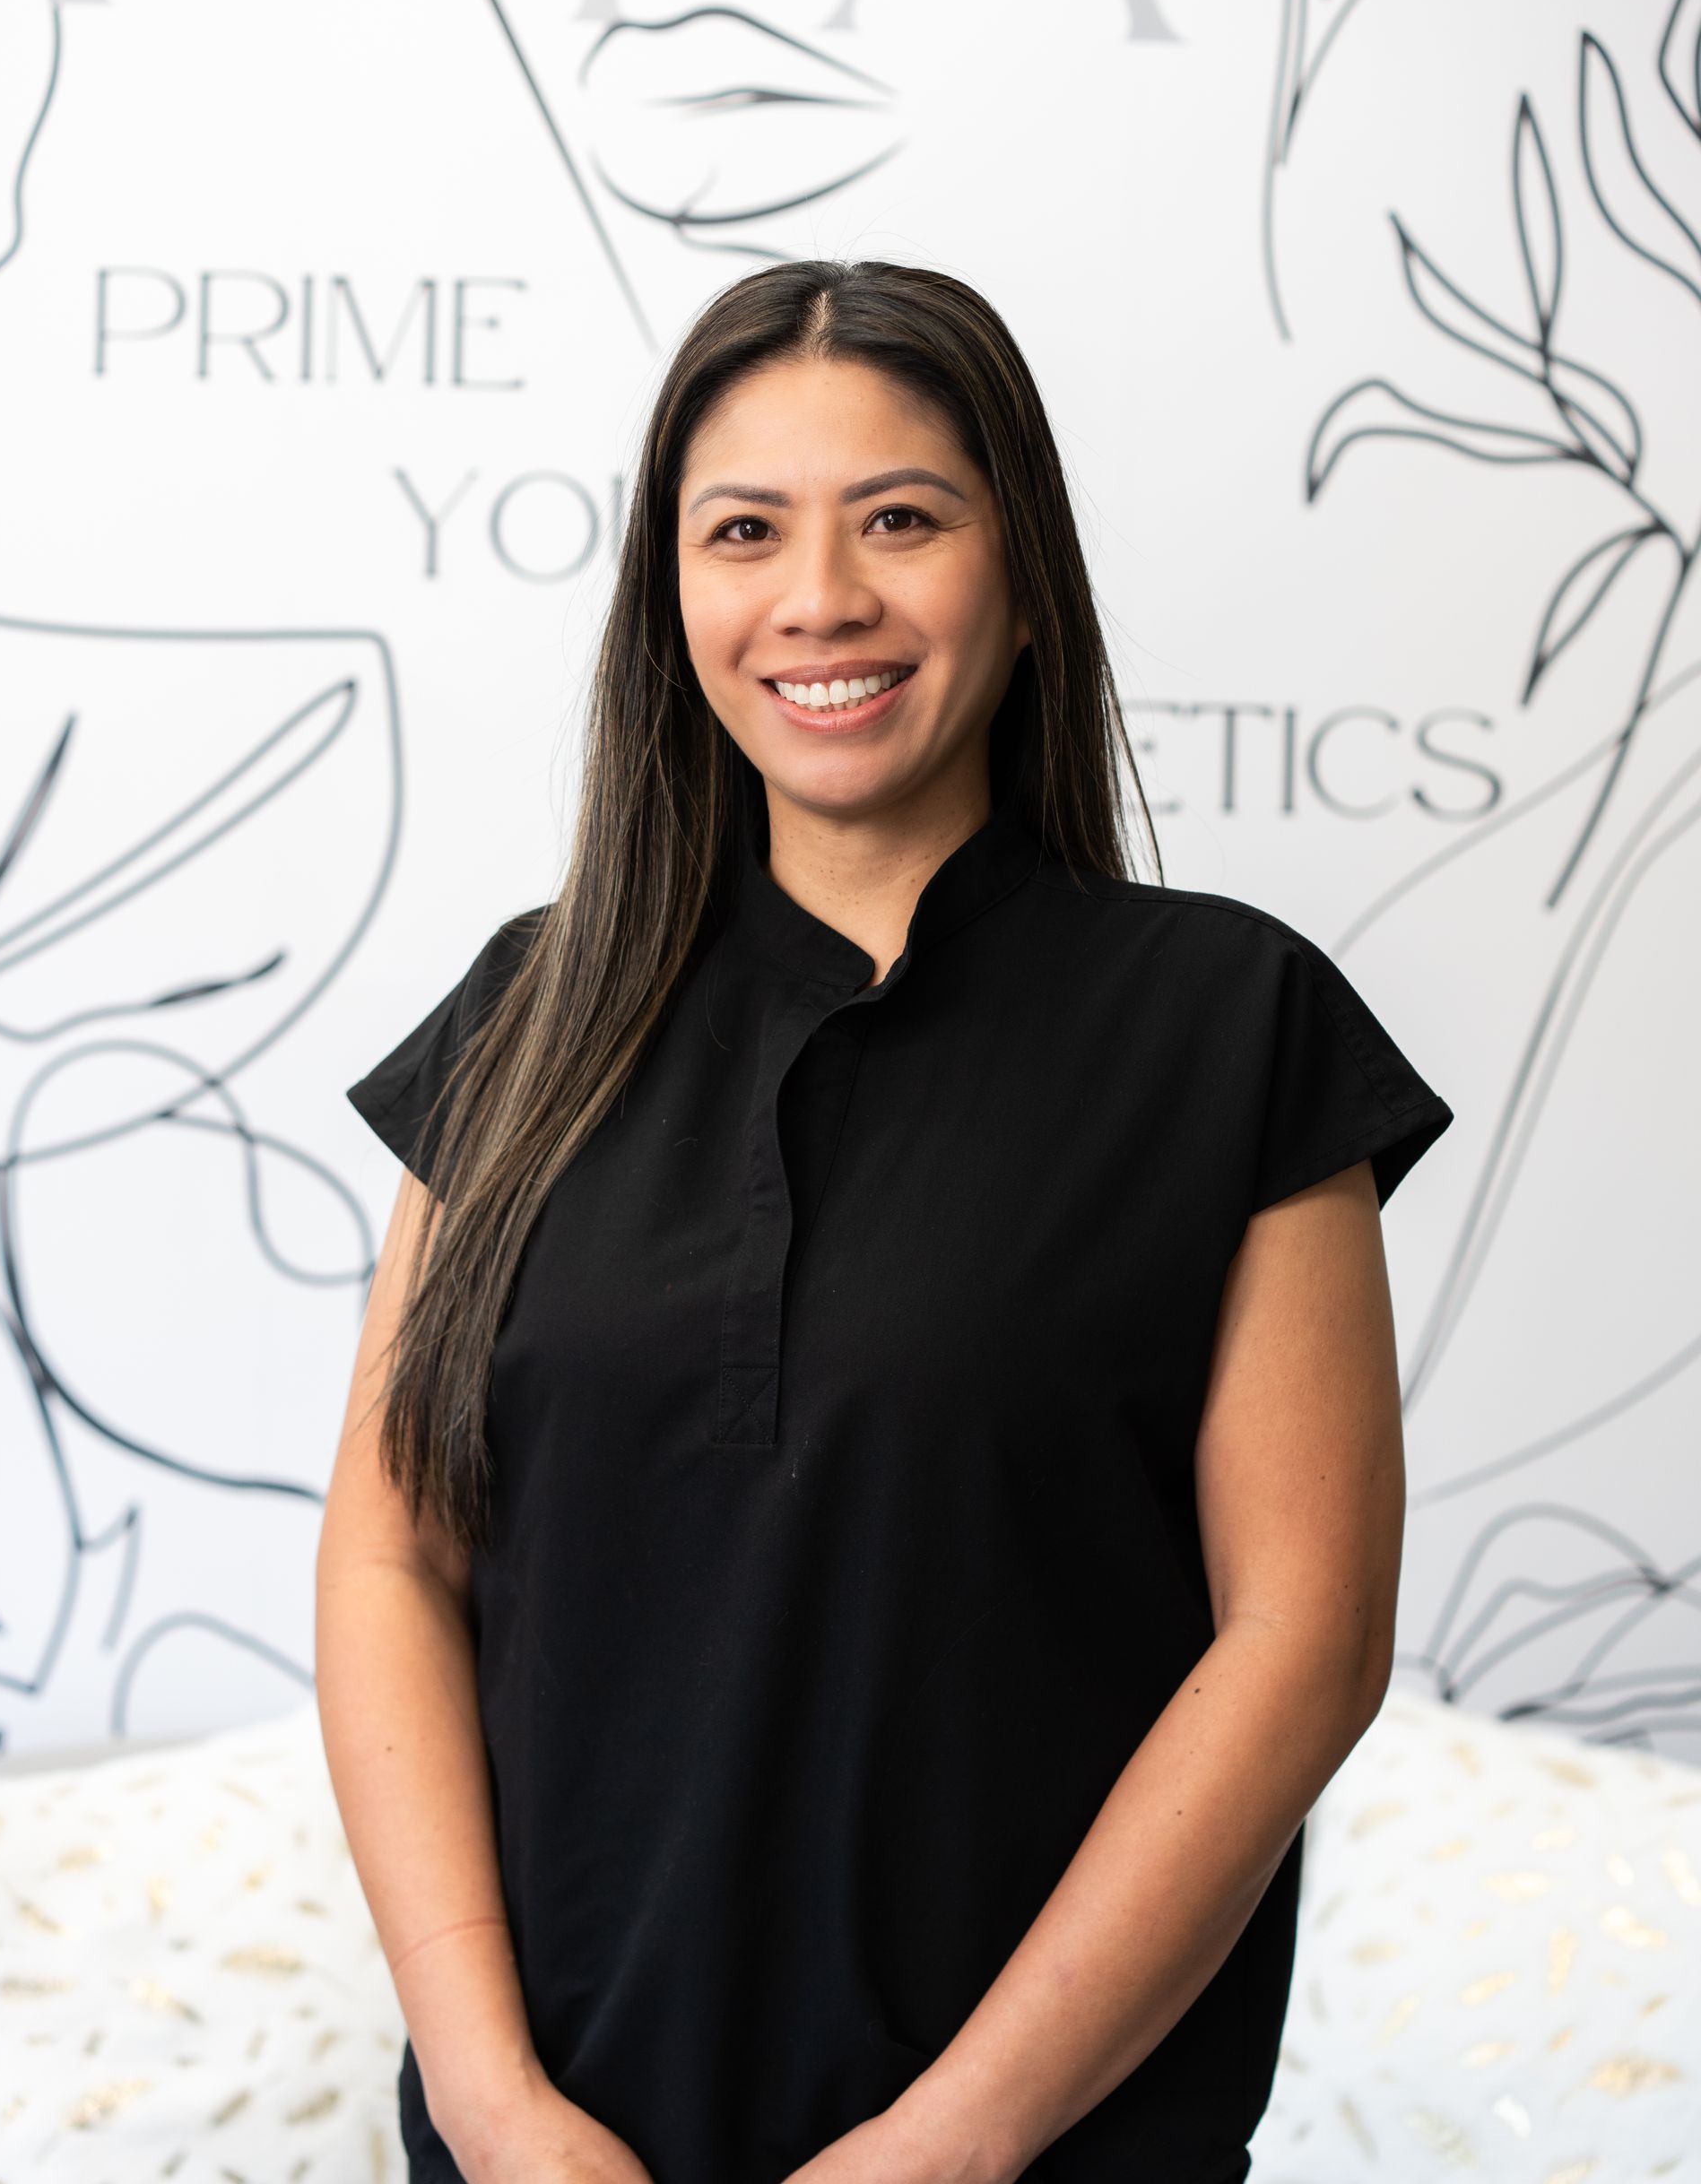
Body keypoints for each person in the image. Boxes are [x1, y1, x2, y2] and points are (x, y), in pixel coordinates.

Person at [316, 257, 1453, 2184]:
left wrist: (958, 2142)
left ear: (1022, 580)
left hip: (1047, 2153)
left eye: (902, 520)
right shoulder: (524, 1024)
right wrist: (497, 2109)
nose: (819, 598)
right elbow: (390, 1572)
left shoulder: (1231, 1027)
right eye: (743, 531)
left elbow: (1302, 1638)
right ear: (674, 602)